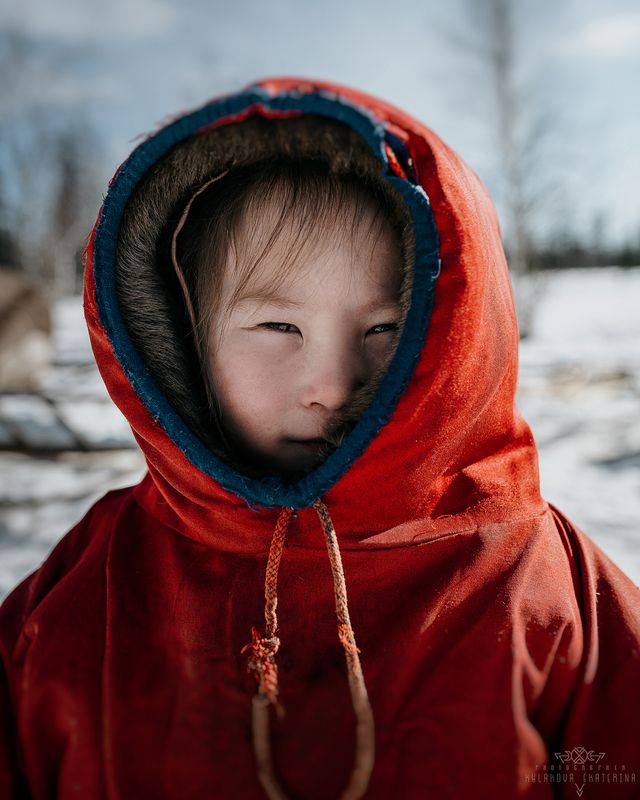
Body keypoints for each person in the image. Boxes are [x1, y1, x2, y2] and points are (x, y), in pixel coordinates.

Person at [1, 77, 639, 800]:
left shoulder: (541, 582)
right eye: (278, 327)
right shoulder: (95, 581)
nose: (332, 387)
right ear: (184, 345)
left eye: (384, 330)